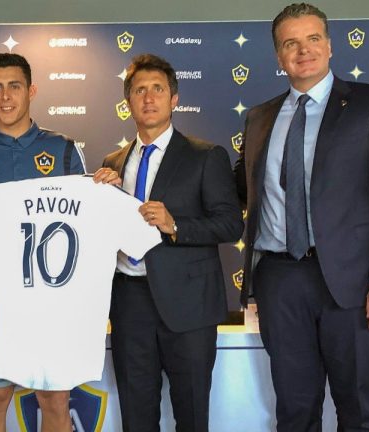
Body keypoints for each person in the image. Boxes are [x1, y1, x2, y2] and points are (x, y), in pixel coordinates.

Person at [234, 3, 369, 431]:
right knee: (295, 411)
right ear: (278, 57)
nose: (303, 50)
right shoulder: (259, 118)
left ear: (330, 46)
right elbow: (238, 189)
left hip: (352, 284)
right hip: (280, 281)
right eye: (290, 43)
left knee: (356, 409)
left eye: (313, 39)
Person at [0, 53, 120, 432]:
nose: (6, 96)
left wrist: (104, 191)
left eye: (14, 86)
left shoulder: (64, 149)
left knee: (55, 399)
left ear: (31, 90)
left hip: (52, 298)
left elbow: (86, 221)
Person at [102, 53, 244, 432]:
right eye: (139, 91)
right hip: (130, 302)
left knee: (192, 414)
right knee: (136, 416)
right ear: (127, 101)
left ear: (174, 98)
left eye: (157, 90)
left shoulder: (205, 155)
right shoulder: (112, 164)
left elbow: (230, 225)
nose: (148, 98)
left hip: (190, 307)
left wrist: (175, 225)